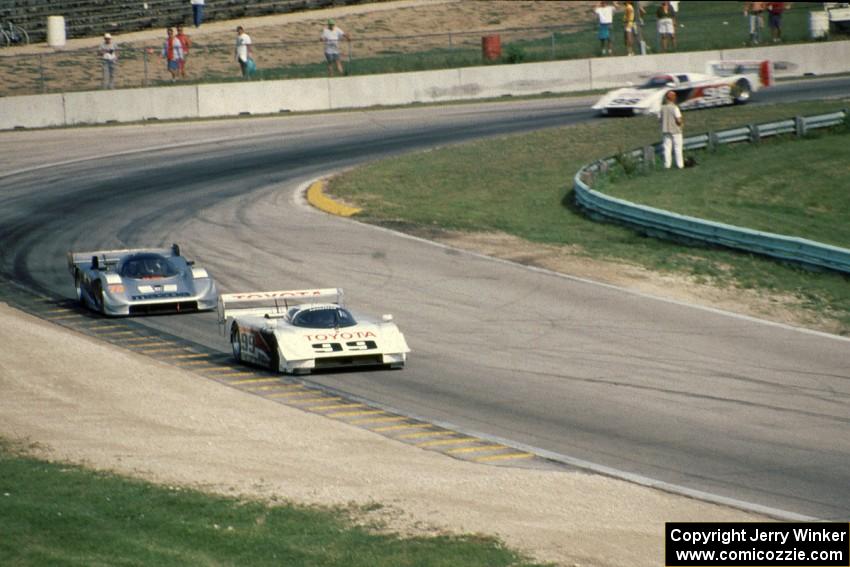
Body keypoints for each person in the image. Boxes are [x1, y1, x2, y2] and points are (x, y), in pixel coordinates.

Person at [660, 91, 683, 170]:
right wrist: (681, 124)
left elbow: (660, 119)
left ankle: (667, 165)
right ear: (674, 98)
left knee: (667, 148)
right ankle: (680, 165)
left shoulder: (662, 108)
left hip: (665, 130)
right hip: (675, 130)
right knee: (677, 148)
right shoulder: (675, 108)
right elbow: (678, 120)